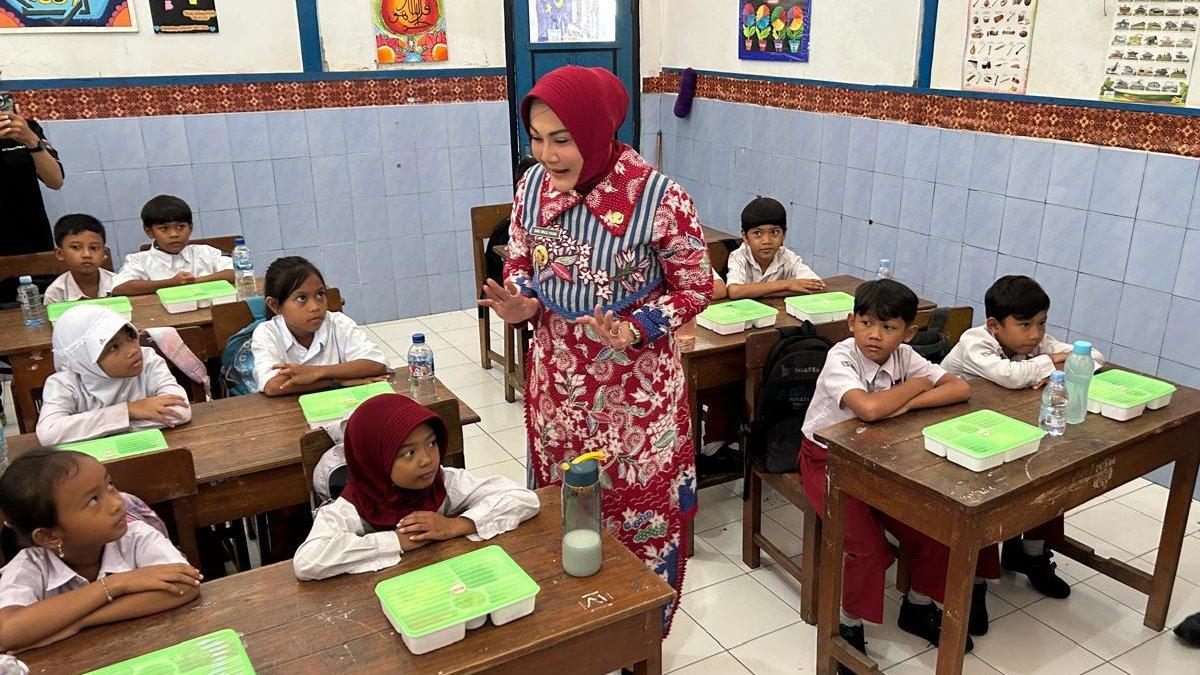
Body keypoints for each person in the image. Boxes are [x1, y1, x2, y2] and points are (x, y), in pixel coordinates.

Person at [479, 65, 711, 635]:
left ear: (598, 132)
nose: (547, 155)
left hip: (635, 389)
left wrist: (638, 327)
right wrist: (523, 299)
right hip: (559, 380)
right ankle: (569, 632)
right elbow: (521, 258)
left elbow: (696, 285)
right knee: (565, 501)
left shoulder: (658, 197)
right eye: (536, 139)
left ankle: (638, 635)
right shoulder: (531, 186)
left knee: (636, 507)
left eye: (563, 139)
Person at [798, 279, 982, 669]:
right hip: (825, 461)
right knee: (869, 548)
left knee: (936, 530)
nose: (875, 335)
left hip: (882, 462)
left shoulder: (905, 356)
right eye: (866, 323)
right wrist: (914, 387)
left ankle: (916, 606)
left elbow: (959, 388)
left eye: (888, 327)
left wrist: (904, 406)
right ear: (851, 323)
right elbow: (866, 409)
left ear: (909, 331)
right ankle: (847, 625)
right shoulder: (841, 357)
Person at [942, 275, 1104, 600]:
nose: (1036, 334)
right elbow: (1011, 377)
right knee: (984, 500)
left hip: (1005, 429)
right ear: (994, 325)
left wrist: (1048, 365)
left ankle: (1030, 553)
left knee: (1049, 471)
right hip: (958, 435)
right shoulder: (975, 341)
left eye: (1042, 323)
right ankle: (974, 580)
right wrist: (1049, 366)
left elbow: (1094, 357)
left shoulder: (1035, 343)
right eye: (1025, 324)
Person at [293, 394, 539, 580]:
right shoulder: (351, 508)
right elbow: (308, 561)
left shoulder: (444, 483)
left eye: (432, 444)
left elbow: (524, 498)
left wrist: (455, 525)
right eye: (408, 453)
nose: (427, 459)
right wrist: (396, 541)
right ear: (374, 460)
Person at [0, 449, 201, 651]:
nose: (117, 503)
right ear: (49, 536)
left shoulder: (135, 536)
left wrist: (81, 621)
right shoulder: (29, 567)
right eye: (93, 500)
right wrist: (115, 584)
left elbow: (187, 586)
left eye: (110, 485)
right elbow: (5, 633)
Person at [36, 305, 191, 447]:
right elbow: (48, 433)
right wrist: (128, 411)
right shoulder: (64, 384)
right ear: (85, 358)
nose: (133, 350)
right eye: (114, 347)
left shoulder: (148, 361)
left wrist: (94, 430)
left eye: (131, 337)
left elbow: (180, 411)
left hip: (148, 454)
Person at [251, 256, 389, 396]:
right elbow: (273, 385)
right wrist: (336, 381)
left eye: (320, 294)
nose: (315, 307)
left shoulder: (338, 322)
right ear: (275, 305)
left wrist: (315, 372)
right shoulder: (266, 333)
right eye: (301, 298)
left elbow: (376, 363)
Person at [0, 100, 64, 301]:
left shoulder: (28, 128)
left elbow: (55, 181)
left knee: (40, 316)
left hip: (33, 248)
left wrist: (30, 140)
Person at [111, 195, 234, 296]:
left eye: (181, 227)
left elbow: (238, 272)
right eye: (164, 229)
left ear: (190, 228)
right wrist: (171, 283)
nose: (174, 234)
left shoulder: (205, 252)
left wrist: (196, 281)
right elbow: (119, 287)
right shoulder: (139, 260)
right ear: (149, 232)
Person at [725, 196, 824, 300]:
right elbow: (734, 291)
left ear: (784, 233)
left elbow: (819, 287)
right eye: (757, 233)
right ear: (745, 236)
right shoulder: (739, 256)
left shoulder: (786, 257)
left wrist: (764, 293)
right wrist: (786, 285)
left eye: (774, 232)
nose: (767, 241)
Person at [43, 214, 116, 304]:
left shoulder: (118, 283)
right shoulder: (56, 293)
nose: (87, 254)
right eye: (76, 247)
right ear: (59, 253)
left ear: (104, 254)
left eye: (94, 248)